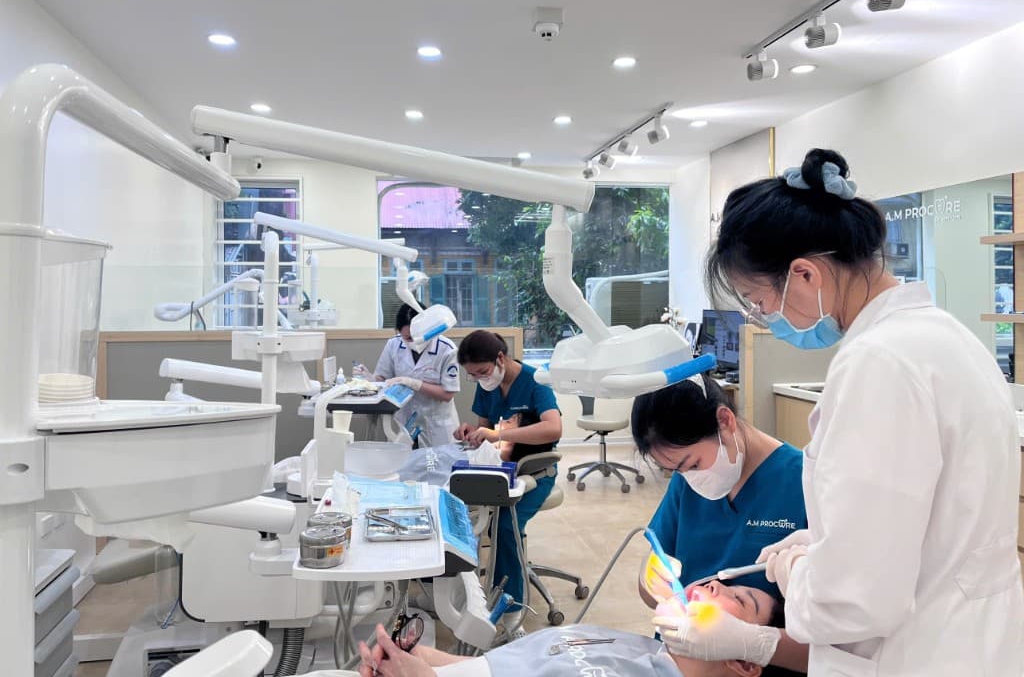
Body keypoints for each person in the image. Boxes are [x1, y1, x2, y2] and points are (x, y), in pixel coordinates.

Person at [658, 148, 1023, 675]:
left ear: (804, 274)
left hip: (918, 653)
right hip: (973, 641)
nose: (762, 318)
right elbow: (931, 521)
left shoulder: (879, 363)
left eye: (758, 301)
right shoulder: (946, 338)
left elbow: (854, 602)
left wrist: (797, 570)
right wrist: (825, 542)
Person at [634, 374, 809, 673]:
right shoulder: (688, 482)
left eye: (691, 464)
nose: (687, 478)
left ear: (725, 421)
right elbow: (652, 575)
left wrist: (751, 643)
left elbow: (839, 646)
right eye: (675, 470)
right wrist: (653, 582)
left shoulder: (806, 483)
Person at [355, 581, 787, 677]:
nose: (715, 583)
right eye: (724, 580)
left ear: (746, 660)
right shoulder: (634, 646)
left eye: (739, 599)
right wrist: (421, 660)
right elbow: (495, 666)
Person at [454, 330, 562, 633]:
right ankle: (478, 590)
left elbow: (553, 429)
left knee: (503, 526)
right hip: (501, 472)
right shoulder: (488, 386)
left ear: (500, 358)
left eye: (482, 371)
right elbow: (484, 431)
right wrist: (471, 434)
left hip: (534, 474)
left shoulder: (536, 380)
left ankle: (511, 608)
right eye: (472, 376)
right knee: (468, 514)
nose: (479, 379)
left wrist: (499, 434)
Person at [359, 303, 459, 448]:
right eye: (407, 338)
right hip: (403, 422)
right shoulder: (393, 344)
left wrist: (414, 384)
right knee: (402, 466)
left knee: (435, 467)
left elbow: (447, 394)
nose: (412, 342)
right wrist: (369, 380)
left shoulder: (447, 350)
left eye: (415, 337)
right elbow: (381, 378)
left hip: (435, 425)